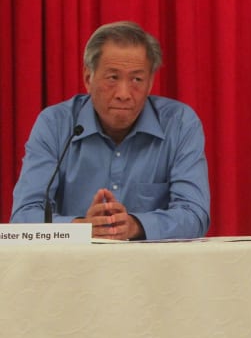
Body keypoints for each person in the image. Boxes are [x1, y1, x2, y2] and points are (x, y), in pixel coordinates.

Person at [11, 21, 210, 240]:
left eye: (137, 79)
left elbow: (194, 214)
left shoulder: (179, 124)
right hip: (71, 268)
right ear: (88, 78)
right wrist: (80, 229)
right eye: (113, 78)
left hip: (153, 269)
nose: (124, 93)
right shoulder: (55, 124)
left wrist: (134, 225)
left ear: (150, 83)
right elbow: (23, 215)